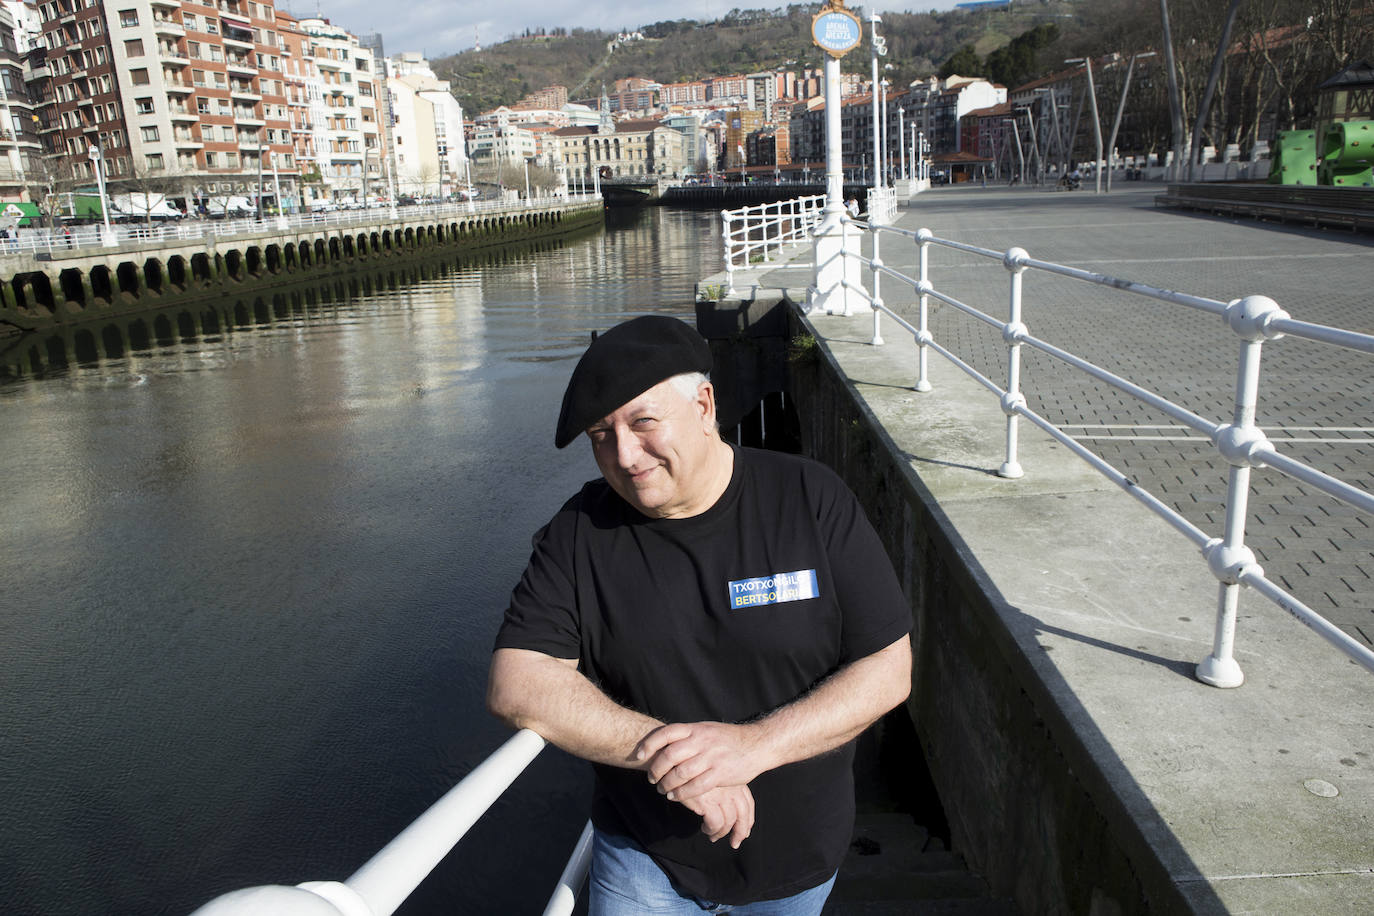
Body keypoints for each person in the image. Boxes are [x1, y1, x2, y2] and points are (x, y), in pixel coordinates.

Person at [488, 315, 913, 914]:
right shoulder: (579, 534)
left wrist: (754, 747)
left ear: (705, 405)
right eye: (601, 434)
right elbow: (517, 683)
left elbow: (888, 668)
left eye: (643, 422)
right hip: (645, 858)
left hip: (797, 862)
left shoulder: (810, 500)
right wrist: (672, 758)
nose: (623, 455)